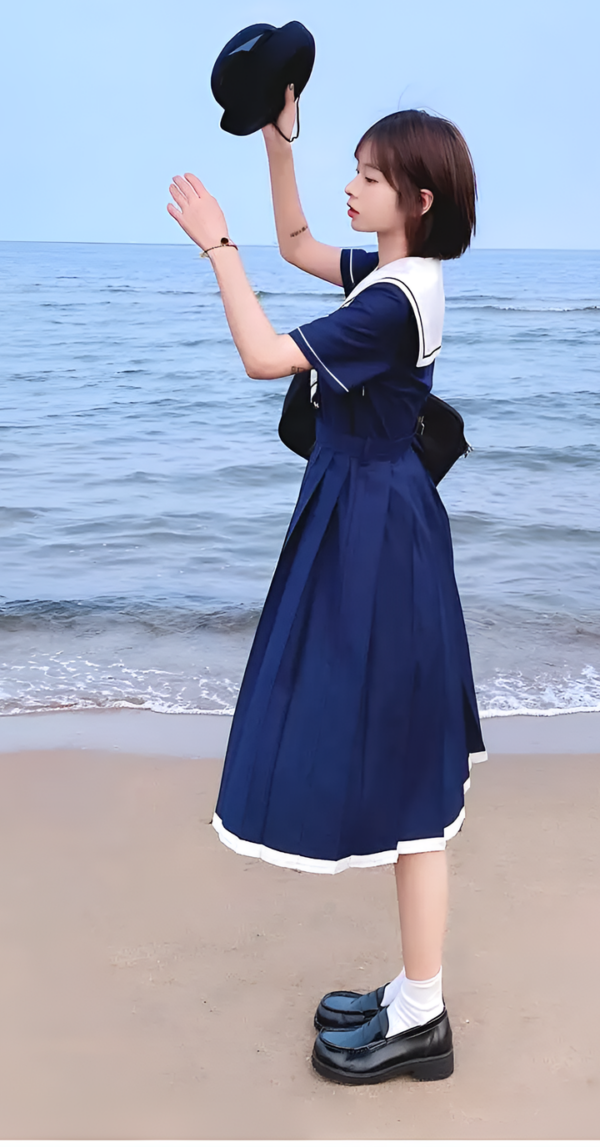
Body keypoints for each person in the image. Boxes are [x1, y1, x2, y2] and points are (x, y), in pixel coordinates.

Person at [166, 87, 485, 1084]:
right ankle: (414, 994)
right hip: (372, 518)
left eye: (371, 176)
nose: (353, 186)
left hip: (376, 535)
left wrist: (216, 249)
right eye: (354, 169)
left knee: (411, 782)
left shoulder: (391, 303)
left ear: (418, 199)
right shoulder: (396, 272)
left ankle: (423, 1015)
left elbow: (265, 356)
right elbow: (300, 243)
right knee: (403, 768)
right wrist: (280, 144)